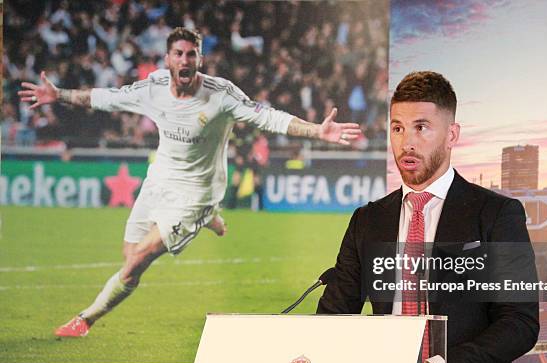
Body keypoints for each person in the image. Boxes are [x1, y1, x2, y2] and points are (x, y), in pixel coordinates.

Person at [19, 27, 363, 337]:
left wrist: (316, 130)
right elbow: (107, 97)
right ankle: (209, 219)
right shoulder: (153, 87)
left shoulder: (221, 94)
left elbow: (268, 117)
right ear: (168, 58)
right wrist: (58, 94)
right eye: (178, 53)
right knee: (127, 258)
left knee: (136, 260)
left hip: (197, 192)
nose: (185, 60)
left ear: (200, 58)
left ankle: (85, 320)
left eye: (191, 54)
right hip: (159, 181)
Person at [316, 71, 539, 363]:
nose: (407, 143)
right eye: (397, 128)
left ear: (451, 134)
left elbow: (519, 321)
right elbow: (335, 314)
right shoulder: (368, 219)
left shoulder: (496, 214)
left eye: (421, 127)